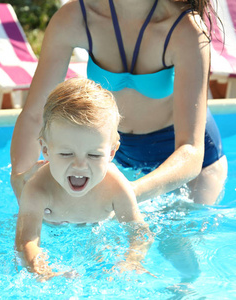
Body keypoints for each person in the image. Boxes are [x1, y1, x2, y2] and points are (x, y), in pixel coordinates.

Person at [11, 0, 228, 206]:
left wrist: (127, 195)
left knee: (178, 243)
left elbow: (190, 149)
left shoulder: (185, 29)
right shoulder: (77, 17)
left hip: (188, 163)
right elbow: (35, 115)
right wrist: (21, 181)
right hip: (113, 151)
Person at [14, 78, 153, 281]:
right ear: (45, 150)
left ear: (112, 152)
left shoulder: (116, 187)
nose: (80, 166)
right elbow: (26, 241)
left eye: (94, 156)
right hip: (53, 228)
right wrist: (43, 271)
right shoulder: (38, 189)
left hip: (100, 229)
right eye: (66, 154)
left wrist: (132, 260)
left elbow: (139, 232)